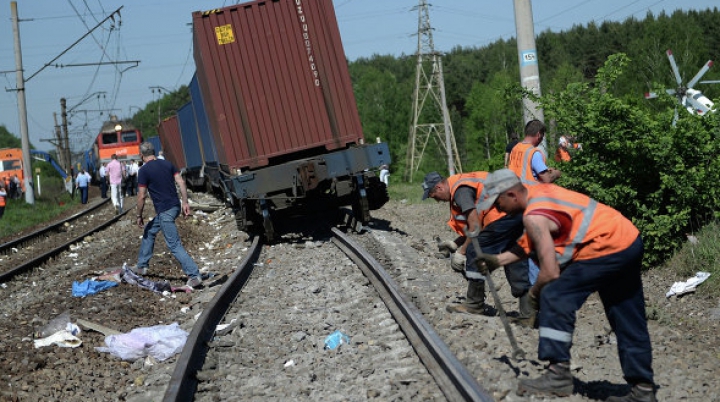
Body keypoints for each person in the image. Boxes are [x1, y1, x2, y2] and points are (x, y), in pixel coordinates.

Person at [475, 169, 655, 402]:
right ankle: (643, 389)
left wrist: (533, 294)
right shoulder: (540, 192)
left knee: (554, 295)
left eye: (498, 203)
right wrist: (498, 261)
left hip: (604, 247)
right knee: (626, 313)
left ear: (512, 195)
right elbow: (532, 241)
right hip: (627, 239)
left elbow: (549, 272)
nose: (498, 210)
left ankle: (557, 374)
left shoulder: (533, 215)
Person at [422, 171, 538, 322]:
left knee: (474, 251)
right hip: (516, 211)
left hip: (501, 216)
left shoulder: (460, 191)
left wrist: (462, 252)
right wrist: (456, 243)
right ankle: (528, 315)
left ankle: (474, 304)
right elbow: (478, 218)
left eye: (434, 196)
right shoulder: (463, 182)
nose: (437, 200)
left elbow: (475, 225)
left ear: (439, 187)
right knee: (514, 259)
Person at [130, 141, 203, 288]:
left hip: (164, 211)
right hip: (175, 206)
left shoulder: (143, 171)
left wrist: (139, 215)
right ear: (154, 152)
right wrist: (185, 202)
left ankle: (194, 275)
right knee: (150, 230)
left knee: (174, 244)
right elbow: (181, 182)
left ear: (141, 155)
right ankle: (142, 266)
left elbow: (141, 196)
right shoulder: (168, 164)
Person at [507, 120, 561, 184]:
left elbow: (523, 169)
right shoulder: (534, 153)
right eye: (542, 136)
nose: (542, 139)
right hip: (530, 192)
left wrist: (545, 169)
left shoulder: (515, 148)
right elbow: (547, 179)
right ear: (538, 135)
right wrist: (556, 173)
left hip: (516, 190)